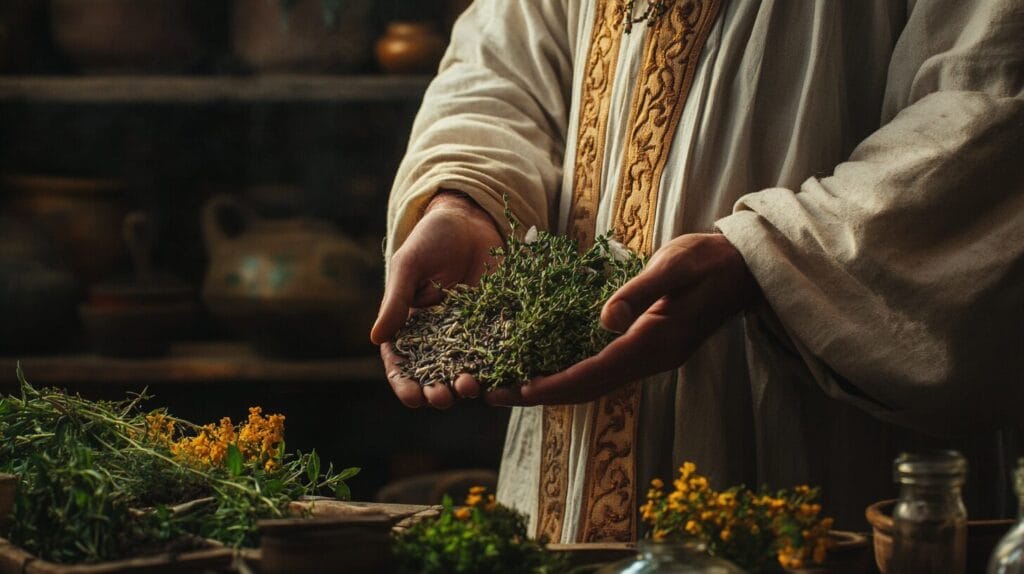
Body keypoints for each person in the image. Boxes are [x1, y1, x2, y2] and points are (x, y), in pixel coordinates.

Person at [371, 0, 1024, 541]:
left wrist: (762, 259)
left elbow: (989, 105)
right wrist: (465, 198)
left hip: (806, 410)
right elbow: (501, 63)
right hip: (566, 444)